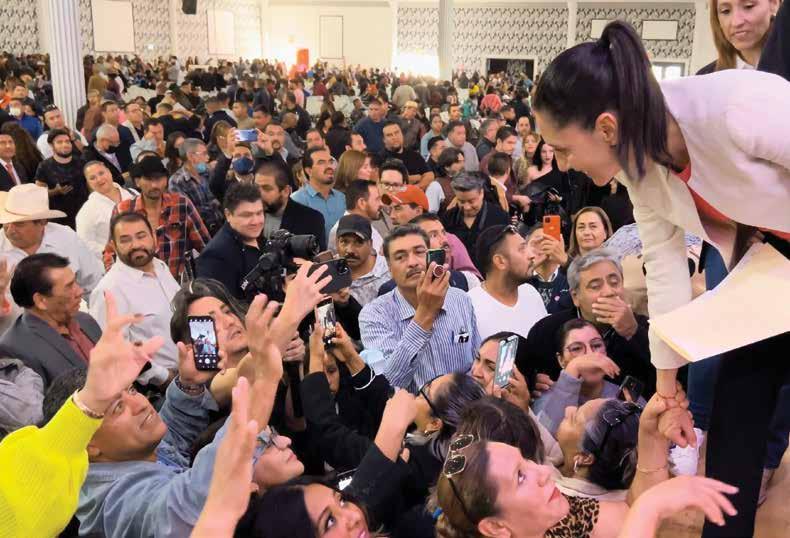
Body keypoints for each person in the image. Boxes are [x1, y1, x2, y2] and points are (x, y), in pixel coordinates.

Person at [533, 21, 789, 535]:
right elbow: (666, 271)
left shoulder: (737, 109)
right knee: (735, 412)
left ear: (606, 128)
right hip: (772, 269)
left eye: (563, 148)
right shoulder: (638, 171)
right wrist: (667, 390)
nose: (562, 164)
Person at [434, 390, 735, 538]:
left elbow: (627, 517)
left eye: (526, 461)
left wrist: (650, 435)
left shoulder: (558, 513)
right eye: (520, 477)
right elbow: (641, 513)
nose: (543, 471)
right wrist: (650, 507)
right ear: (495, 527)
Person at [0, 291, 161, 538]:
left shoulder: (84, 322)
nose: (78, 291)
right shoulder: (122, 500)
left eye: (131, 390)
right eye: (118, 407)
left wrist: (92, 400)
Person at [359, 224, 480, 391]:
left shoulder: (460, 299)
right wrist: (425, 314)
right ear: (389, 267)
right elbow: (390, 381)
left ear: (430, 256)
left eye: (419, 252)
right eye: (400, 257)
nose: (413, 263)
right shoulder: (374, 314)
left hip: (464, 403)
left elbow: (476, 362)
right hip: (414, 406)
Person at [523, 249, 653, 395]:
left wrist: (633, 332)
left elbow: (661, 374)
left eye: (614, 283)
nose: (609, 292)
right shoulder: (547, 330)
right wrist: (533, 381)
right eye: (595, 286)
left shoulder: (644, 327)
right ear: (575, 297)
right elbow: (529, 373)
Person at [89, 212, 181, 387]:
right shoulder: (109, 290)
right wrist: (164, 377)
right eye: (125, 240)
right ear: (113, 246)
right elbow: (117, 354)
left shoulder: (160, 267)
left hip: (192, 371)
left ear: (153, 237)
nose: (136, 245)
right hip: (157, 389)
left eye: (141, 236)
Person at [0, 253, 102, 389]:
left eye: (75, 282)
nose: (80, 291)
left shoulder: (85, 320)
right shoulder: (15, 349)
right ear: (41, 301)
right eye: (69, 286)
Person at [533, 318, 648, 434]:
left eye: (597, 345)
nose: (590, 354)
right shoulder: (546, 398)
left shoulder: (625, 397)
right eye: (577, 348)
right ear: (561, 360)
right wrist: (573, 369)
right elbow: (550, 435)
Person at [105, 156, 210, 279]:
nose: (154, 185)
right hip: (138, 282)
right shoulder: (123, 209)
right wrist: (118, 281)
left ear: (166, 180)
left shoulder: (181, 204)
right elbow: (111, 253)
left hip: (177, 281)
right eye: (148, 179)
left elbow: (204, 244)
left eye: (159, 179)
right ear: (138, 182)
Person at [0, 184, 104, 305]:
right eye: (6, 222)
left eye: (19, 224)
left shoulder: (66, 237)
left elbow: (93, 283)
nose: (10, 230)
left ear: (42, 222)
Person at [468, 225, 547, 340]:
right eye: (522, 249)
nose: (531, 255)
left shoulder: (530, 293)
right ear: (500, 261)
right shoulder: (470, 306)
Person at [195, 182, 265, 302]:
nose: (256, 221)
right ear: (228, 215)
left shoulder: (259, 237)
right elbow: (218, 306)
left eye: (259, 213)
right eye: (246, 215)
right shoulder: (215, 256)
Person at [441, 172, 509, 271]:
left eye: (471, 201)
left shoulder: (500, 217)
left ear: (482, 193)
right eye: (461, 201)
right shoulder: (448, 218)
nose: (467, 207)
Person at [253, 160, 327, 250]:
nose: (259, 193)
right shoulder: (248, 216)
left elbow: (318, 256)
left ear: (286, 191)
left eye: (267, 188)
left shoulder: (312, 220)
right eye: (256, 188)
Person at [77, 161, 136, 258]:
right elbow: (84, 243)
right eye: (92, 178)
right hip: (115, 261)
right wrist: (112, 251)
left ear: (109, 172)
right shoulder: (86, 211)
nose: (99, 179)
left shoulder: (133, 194)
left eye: (101, 173)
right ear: (88, 183)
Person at [33, 128, 89, 229]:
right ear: (51, 145)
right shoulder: (44, 166)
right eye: (59, 142)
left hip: (83, 214)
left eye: (67, 141)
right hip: (59, 219)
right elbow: (38, 194)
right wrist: (55, 191)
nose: (65, 144)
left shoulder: (81, 162)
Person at [169, 138, 224, 235]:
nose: (208, 157)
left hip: (222, 225)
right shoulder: (177, 181)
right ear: (191, 156)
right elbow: (188, 211)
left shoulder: (208, 172)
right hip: (200, 231)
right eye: (204, 154)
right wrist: (216, 204)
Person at [290, 147, 346, 242]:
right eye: (321, 162)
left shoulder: (342, 198)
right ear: (309, 171)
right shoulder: (296, 200)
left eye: (330, 162)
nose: (329, 166)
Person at [335, 214, 391, 307]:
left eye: (358, 242)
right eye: (344, 242)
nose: (350, 250)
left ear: (370, 244)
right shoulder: (329, 272)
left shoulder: (389, 272)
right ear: (337, 243)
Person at [524, 225, 573, 313]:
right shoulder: (521, 277)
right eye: (539, 241)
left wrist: (565, 261)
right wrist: (530, 263)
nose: (545, 245)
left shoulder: (570, 275)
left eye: (550, 240)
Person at [328, 179, 384, 252]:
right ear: (362, 203)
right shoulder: (341, 230)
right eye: (377, 199)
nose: (381, 204)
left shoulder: (369, 227)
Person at [380, 121, 433, 189]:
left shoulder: (414, 155)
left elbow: (430, 175)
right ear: (384, 140)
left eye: (397, 133)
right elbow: (390, 182)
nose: (394, 137)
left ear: (402, 134)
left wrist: (415, 188)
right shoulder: (380, 158)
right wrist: (416, 177)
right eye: (389, 135)